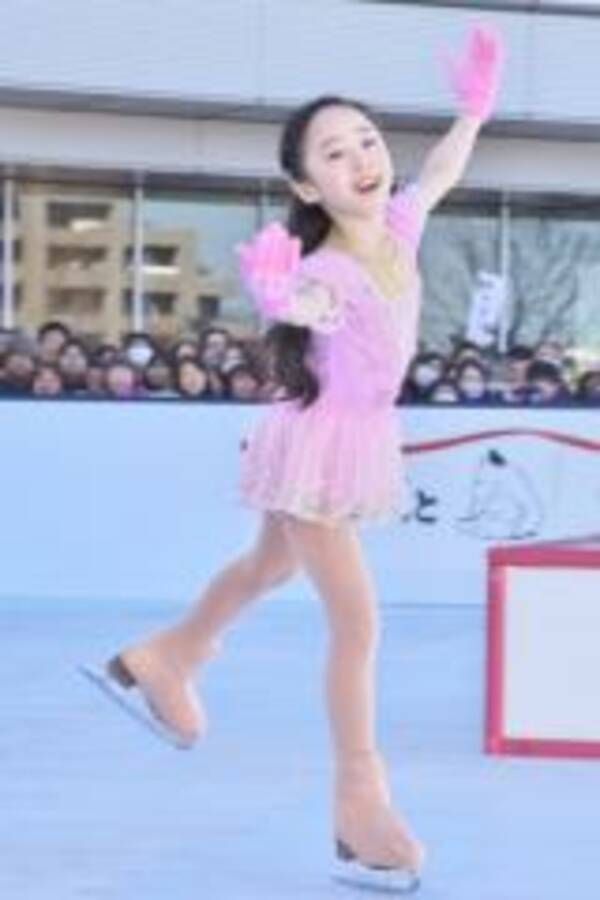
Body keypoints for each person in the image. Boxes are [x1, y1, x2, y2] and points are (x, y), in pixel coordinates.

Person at [81, 25, 503, 892]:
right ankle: (359, 808)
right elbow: (310, 302)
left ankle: (164, 657)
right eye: (334, 153)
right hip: (321, 445)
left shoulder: (399, 225)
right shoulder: (330, 267)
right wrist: (281, 294)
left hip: (347, 437)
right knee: (358, 624)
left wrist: (473, 112)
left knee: (268, 566)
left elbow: (440, 174)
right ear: (307, 185)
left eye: (367, 141)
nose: (361, 160)